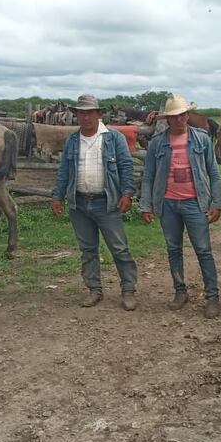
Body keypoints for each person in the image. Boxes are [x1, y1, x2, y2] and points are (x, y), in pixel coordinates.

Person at [139, 94, 221, 318]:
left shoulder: (202, 139)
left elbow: (213, 172)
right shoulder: (158, 143)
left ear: (188, 115)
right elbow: (149, 176)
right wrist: (145, 204)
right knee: (173, 249)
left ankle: (212, 296)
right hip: (168, 204)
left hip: (195, 203)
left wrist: (216, 202)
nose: (179, 119)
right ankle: (180, 291)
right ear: (168, 119)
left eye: (183, 114)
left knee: (203, 250)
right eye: (174, 116)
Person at [52, 94, 139, 310]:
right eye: (81, 112)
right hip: (79, 202)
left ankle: (128, 290)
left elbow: (126, 167)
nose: (85, 117)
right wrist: (57, 196)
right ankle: (94, 289)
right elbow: (64, 171)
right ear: (76, 115)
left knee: (119, 248)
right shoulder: (73, 140)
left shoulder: (113, 138)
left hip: (106, 202)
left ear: (98, 114)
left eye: (89, 112)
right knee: (88, 249)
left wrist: (127, 193)